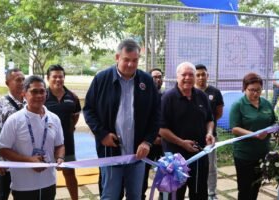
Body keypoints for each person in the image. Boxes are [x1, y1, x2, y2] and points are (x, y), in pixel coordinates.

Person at [83, 39, 160, 200]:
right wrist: (102, 134)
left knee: (135, 195)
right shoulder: (101, 79)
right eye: (126, 59)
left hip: (138, 154)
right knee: (110, 195)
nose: (131, 64)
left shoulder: (146, 81)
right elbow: (89, 110)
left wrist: (147, 141)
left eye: (135, 60)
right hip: (111, 153)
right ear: (117, 57)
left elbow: (156, 114)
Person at [0, 75, 65, 200]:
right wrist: (29, 160)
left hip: (49, 182)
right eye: (34, 91)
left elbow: (59, 145)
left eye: (42, 91)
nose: (39, 96)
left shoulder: (54, 119)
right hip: (23, 186)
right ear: (24, 94)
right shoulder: (14, 120)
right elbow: (2, 149)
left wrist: (60, 158)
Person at [159, 62, 215, 200]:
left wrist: (209, 133)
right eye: (184, 74)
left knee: (199, 193)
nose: (188, 78)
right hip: (175, 159)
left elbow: (210, 119)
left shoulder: (201, 96)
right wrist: (182, 143)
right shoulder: (168, 98)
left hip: (199, 155)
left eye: (191, 75)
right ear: (177, 76)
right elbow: (161, 129)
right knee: (174, 195)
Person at [229, 73, 275, 200]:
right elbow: (234, 128)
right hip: (244, 155)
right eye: (252, 90)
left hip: (262, 153)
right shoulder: (238, 105)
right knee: (245, 188)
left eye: (258, 90)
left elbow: (273, 122)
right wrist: (254, 135)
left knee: (256, 186)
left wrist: (274, 130)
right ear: (244, 88)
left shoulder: (266, 103)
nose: (255, 93)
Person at [45, 64, 81, 200]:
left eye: (61, 76)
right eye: (54, 76)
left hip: (67, 143)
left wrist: (68, 129)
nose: (58, 79)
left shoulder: (72, 96)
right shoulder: (43, 96)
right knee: (46, 176)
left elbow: (76, 116)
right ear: (48, 78)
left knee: (70, 174)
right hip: (46, 144)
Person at [0, 68, 25, 200]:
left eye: (23, 79)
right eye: (17, 80)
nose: (22, 83)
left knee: (23, 194)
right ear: (7, 83)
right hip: (5, 163)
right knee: (2, 195)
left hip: (24, 160)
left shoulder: (28, 102)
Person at [194, 64, 224, 200]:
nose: (201, 77)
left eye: (203, 74)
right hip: (192, 138)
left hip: (210, 136)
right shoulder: (189, 91)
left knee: (211, 166)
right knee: (193, 165)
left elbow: (218, 113)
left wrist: (207, 126)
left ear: (207, 76)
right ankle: (195, 191)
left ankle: (211, 192)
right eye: (198, 75)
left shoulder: (215, 92)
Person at [142, 67, 164, 200]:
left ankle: (163, 196)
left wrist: (162, 137)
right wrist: (152, 137)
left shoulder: (166, 96)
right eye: (155, 77)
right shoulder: (142, 96)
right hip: (147, 143)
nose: (158, 79)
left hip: (163, 143)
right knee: (142, 175)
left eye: (160, 76)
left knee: (165, 174)